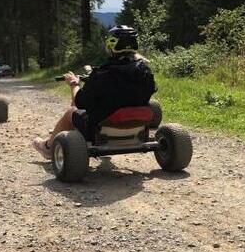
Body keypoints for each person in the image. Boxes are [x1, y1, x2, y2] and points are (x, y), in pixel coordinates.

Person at [33, 25, 157, 159]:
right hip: (137, 126)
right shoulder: (146, 72)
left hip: (101, 130)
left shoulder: (102, 75)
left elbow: (79, 102)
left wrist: (74, 84)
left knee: (71, 112)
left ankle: (48, 147)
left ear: (111, 45)